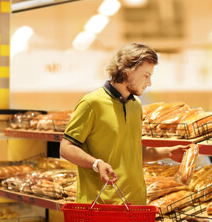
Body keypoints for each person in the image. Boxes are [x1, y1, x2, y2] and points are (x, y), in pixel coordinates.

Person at [60, 42, 189, 205]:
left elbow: (133, 152)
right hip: (102, 205)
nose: (149, 83)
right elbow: (66, 148)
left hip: (135, 203)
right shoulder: (91, 103)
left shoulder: (135, 105)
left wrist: (168, 152)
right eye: (146, 75)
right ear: (128, 70)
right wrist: (96, 164)